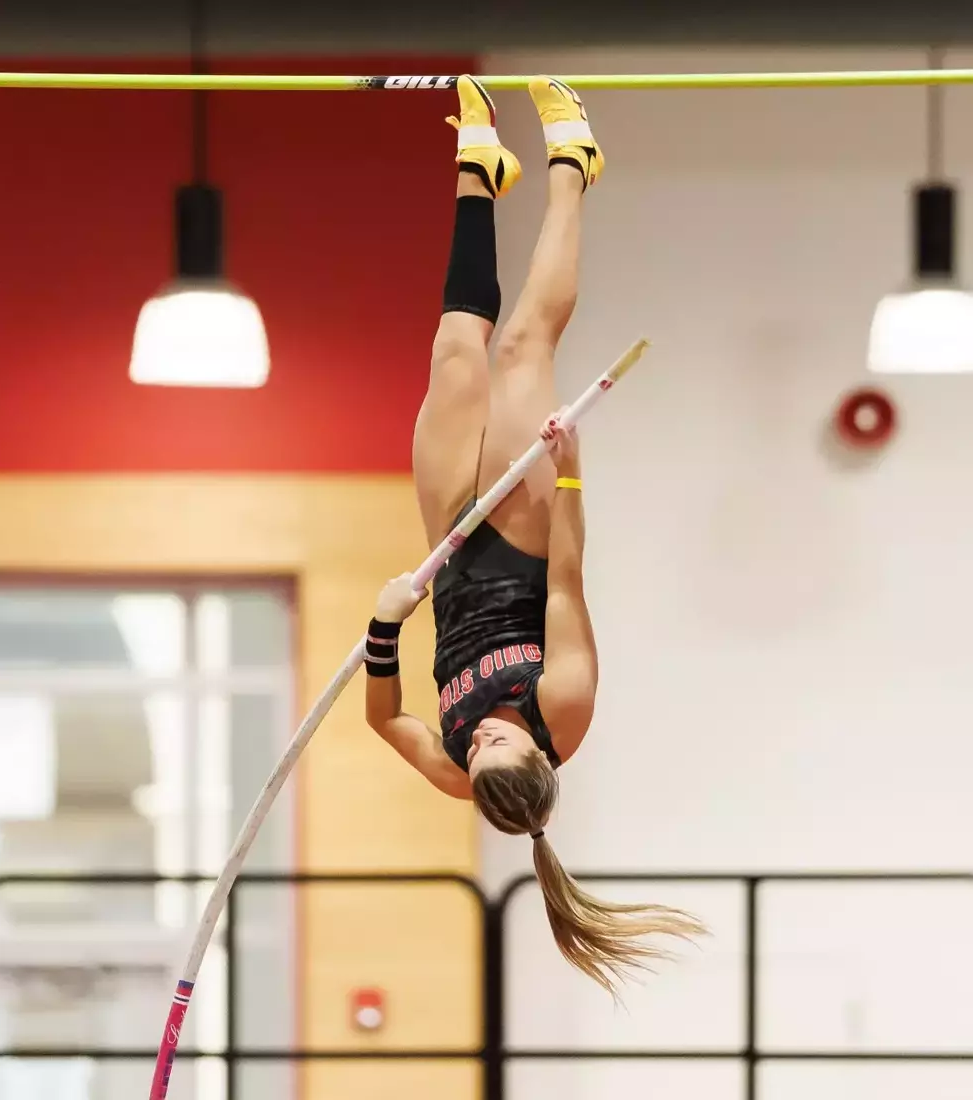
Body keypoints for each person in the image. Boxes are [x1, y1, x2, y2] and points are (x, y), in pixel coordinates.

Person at [362, 75, 705, 994]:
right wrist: (570, 466)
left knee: (453, 354)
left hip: (446, 551)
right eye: (495, 746)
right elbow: (566, 581)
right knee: (520, 349)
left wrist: (385, 630)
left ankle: (479, 167)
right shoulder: (565, 708)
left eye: (474, 754)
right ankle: (572, 165)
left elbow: (388, 719)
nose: (476, 742)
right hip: (523, 536)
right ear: (538, 758)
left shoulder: (460, 776)